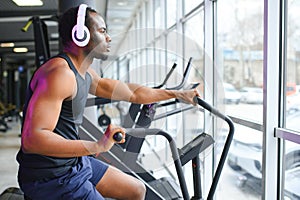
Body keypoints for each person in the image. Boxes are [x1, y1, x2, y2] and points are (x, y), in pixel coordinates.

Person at [16, 4, 200, 200]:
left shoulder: (85, 73)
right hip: (50, 177)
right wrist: (97, 146)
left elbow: (132, 93)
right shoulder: (60, 74)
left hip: (72, 163)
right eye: (102, 31)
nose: (108, 37)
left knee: (136, 190)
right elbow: (33, 140)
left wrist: (178, 94)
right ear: (81, 35)